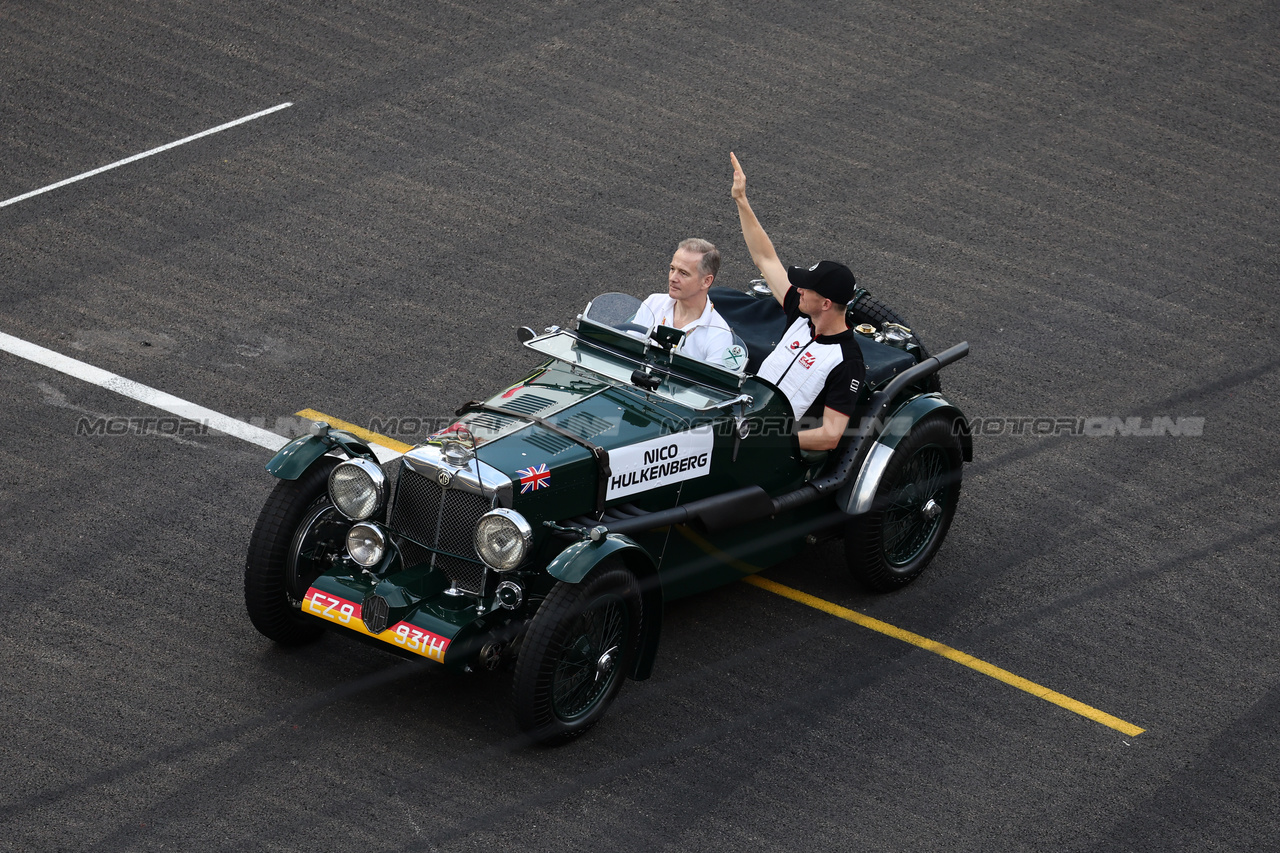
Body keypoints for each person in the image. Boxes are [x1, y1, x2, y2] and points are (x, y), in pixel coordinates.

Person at [730, 152, 866, 452]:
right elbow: (765, 258)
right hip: (745, 425)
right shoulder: (802, 315)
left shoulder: (848, 361)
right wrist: (741, 199)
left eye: (806, 288)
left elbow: (830, 435)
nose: (798, 290)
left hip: (777, 453)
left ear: (826, 303)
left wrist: (771, 440)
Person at [633, 238, 736, 364]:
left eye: (683, 273)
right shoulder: (653, 303)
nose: (673, 278)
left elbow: (708, 382)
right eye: (672, 269)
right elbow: (627, 350)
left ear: (706, 281)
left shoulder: (720, 335)